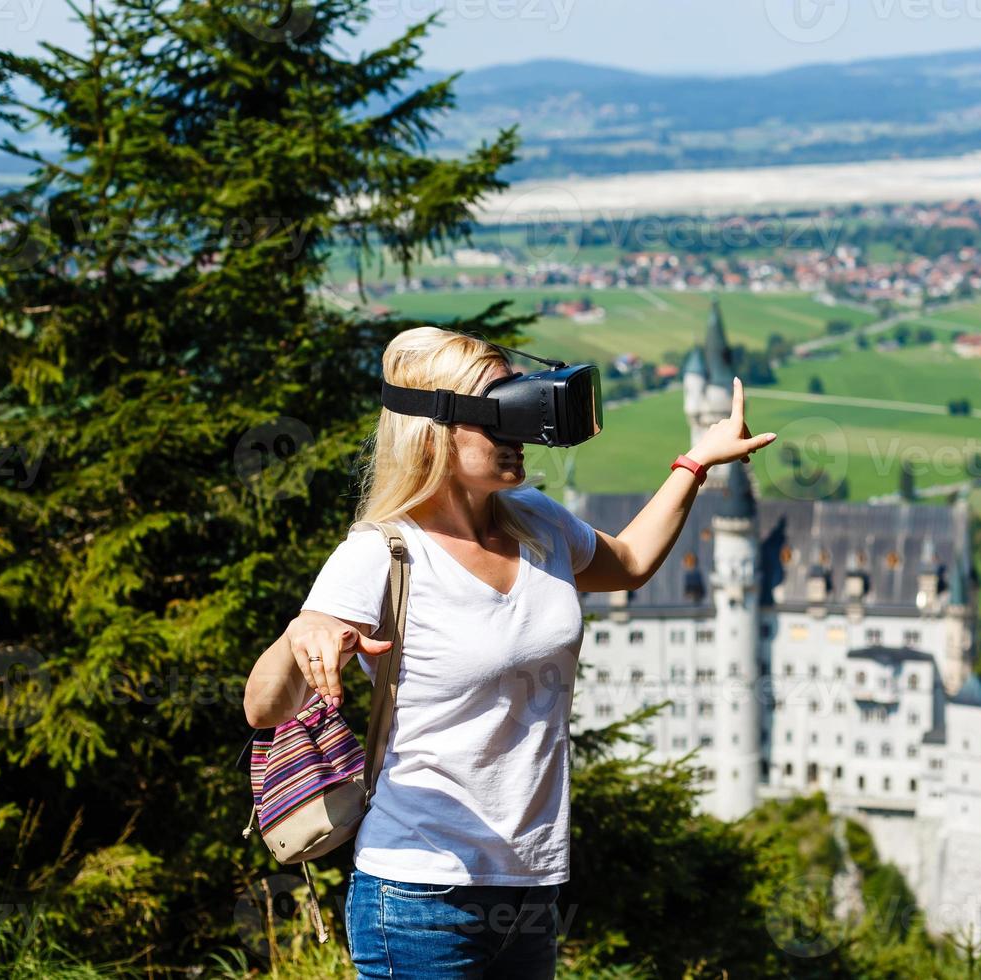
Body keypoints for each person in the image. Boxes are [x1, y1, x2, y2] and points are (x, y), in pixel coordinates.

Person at [242, 326, 777, 979]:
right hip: (418, 892)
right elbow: (264, 706)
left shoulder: (537, 522)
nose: (523, 430)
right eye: (502, 414)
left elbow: (631, 562)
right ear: (437, 431)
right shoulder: (381, 553)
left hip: (528, 887)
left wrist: (696, 462)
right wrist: (303, 631)